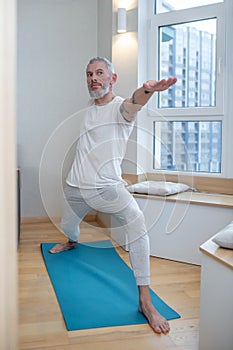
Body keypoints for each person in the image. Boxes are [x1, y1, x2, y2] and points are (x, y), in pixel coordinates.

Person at [49, 57, 177, 334]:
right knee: (69, 228)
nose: (93, 78)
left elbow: (134, 103)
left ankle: (145, 300)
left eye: (99, 73)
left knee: (138, 225)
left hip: (108, 189)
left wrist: (148, 90)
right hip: (75, 187)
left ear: (112, 78)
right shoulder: (89, 108)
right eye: (89, 74)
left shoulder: (121, 108)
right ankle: (72, 241)